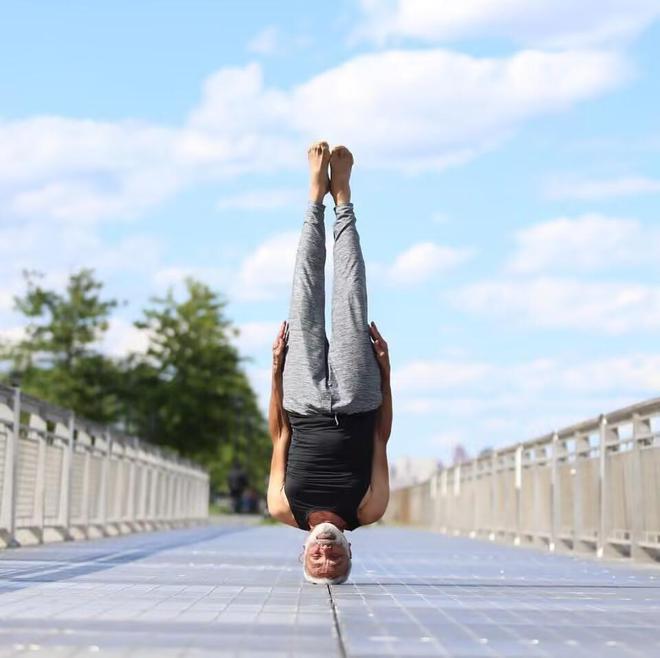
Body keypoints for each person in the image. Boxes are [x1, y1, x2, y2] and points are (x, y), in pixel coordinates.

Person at [267, 142, 393, 585]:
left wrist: (276, 372)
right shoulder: (369, 509)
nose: (325, 553)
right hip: (359, 397)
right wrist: (386, 372)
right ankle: (343, 200)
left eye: (316, 561)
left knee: (303, 295)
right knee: (351, 295)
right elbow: (381, 436)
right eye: (334, 562)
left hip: (301, 399)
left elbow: (280, 434)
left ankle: (314, 197)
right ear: (349, 551)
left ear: (303, 552)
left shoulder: (283, 507)